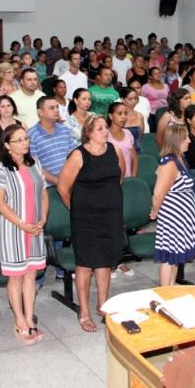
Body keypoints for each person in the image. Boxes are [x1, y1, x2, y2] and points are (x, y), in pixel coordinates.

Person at [57, 117, 126, 332]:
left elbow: (120, 176)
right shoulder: (79, 155)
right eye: (100, 128)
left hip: (110, 215)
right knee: (86, 264)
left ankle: (103, 304)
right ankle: (84, 310)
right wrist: (77, 208)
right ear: (89, 132)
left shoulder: (114, 151)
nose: (105, 131)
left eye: (106, 127)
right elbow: (62, 187)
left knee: (105, 260)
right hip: (85, 218)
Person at [0, 125, 48, 344]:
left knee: (31, 274)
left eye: (26, 139)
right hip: (14, 228)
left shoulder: (35, 164)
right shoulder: (0, 168)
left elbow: (43, 194)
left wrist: (42, 218)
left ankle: (30, 318)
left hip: (34, 227)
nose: (25, 143)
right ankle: (19, 320)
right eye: (19, 140)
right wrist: (22, 223)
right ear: (7, 145)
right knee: (16, 276)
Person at [150, 125, 195, 286]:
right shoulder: (169, 163)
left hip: (182, 217)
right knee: (169, 258)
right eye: (185, 138)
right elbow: (158, 193)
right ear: (176, 140)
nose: (189, 141)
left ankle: (171, 289)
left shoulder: (180, 158)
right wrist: (155, 211)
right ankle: (165, 293)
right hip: (173, 218)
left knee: (176, 257)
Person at [28, 97, 76, 186]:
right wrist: (58, 181)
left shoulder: (65, 130)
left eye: (57, 107)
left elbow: (74, 156)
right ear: (40, 112)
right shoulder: (31, 134)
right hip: (48, 186)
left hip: (72, 181)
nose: (57, 110)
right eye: (52, 108)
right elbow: (33, 165)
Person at [0, 95, 26, 167]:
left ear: (13, 108)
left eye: (9, 105)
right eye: (2, 106)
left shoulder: (22, 125)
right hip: (1, 166)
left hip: (21, 165)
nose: (6, 109)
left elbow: (29, 147)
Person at [107, 103, 138, 178]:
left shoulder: (128, 133)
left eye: (125, 113)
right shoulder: (105, 135)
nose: (123, 117)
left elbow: (134, 160)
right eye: (119, 114)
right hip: (111, 180)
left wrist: (133, 179)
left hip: (128, 178)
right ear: (111, 116)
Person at [120, 87, 145, 152]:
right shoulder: (117, 116)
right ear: (122, 99)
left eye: (135, 98)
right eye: (130, 99)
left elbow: (141, 136)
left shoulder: (140, 116)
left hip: (137, 150)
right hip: (121, 150)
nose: (134, 101)